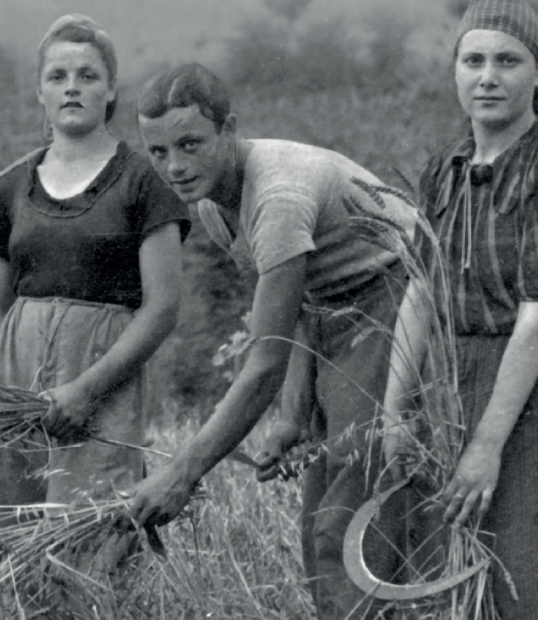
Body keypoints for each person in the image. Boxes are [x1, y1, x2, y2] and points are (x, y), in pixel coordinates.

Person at [129, 63, 417, 620]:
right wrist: (292, 415)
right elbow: (294, 309)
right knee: (319, 516)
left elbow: (263, 364)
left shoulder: (277, 197)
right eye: (158, 152)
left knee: (356, 511)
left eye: (190, 144)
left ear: (229, 128)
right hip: (334, 313)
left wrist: (182, 473)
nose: (175, 167)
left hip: (396, 301)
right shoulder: (214, 204)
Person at [381, 0, 538, 619]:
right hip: (457, 376)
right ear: (455, 70)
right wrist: (394, 411)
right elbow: (421, 292)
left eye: (507, 61)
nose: (488, 77)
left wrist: (486, 447)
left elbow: (537, 318)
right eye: (473, 61)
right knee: (461, 567)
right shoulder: (445, 169)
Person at [0, 14, 189, 594]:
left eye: (88, 75)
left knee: (89, 545)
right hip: (14, 381)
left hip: (100, 379)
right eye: (57, 76)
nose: (72, 87)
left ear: (111, 90)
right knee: (17, 548)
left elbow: (162, 308)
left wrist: (87, 390)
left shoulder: (143, 181)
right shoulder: (9, 187)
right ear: (39, 90)